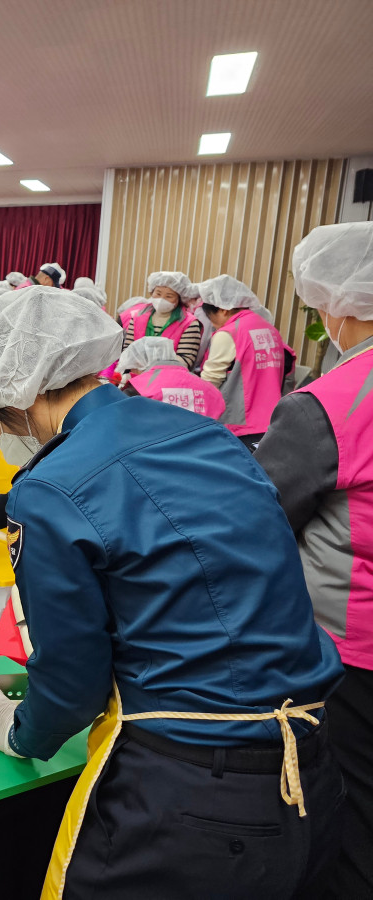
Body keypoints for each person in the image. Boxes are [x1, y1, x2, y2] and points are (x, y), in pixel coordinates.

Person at [0, 285, 344, 898]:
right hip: (309, 765)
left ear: (17, 397)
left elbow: (72, 677)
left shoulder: (52, 486)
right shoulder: (203, 433)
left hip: (189, 794)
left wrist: (19, 730)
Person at [255, 221, 373, 899]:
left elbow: (260, 517)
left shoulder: (333, 401)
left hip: (350, 648)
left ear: (338, 304)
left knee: (349, 811)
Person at [198, 274, 294, 449]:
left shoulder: (229, 333)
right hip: (272, 418)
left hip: (238, 422)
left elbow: (210, 381)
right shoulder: (268, 328)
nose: (213, 324)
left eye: (212, 318)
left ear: (223, 310)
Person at [117, 335, 224, 419]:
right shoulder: (207, 388)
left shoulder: (139, 389)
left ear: (140, 363)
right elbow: (219, 408)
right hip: (203, 444)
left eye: (133, 370)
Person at [118, 271, 203, 369]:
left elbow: (185, 360)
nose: (161, 299)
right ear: (151, 292)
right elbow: (128, 351)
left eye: (169, 296)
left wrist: (152, 364)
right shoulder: (138, 317)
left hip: (168, 379)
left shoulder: (189, 323)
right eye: (158, 293)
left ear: (179, 299)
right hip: (135, 376)